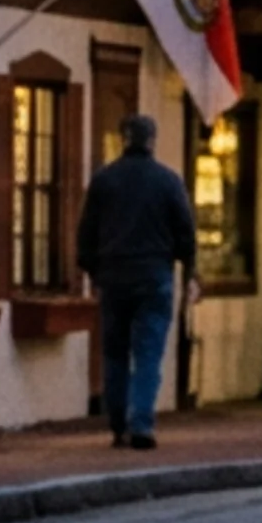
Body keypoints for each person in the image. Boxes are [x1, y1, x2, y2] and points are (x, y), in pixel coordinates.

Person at [78, 111, 202, 451]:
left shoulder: (104, 180)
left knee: (115, 352)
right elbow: (185, 232)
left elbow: (86, 233)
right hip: (154, 273)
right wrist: (190, 269)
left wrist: (93, 271)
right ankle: (141, 421)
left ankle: (118, 422)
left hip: (114, 274)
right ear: (151, 140)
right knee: (148, 353)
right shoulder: (168, 181)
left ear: (123, 139)